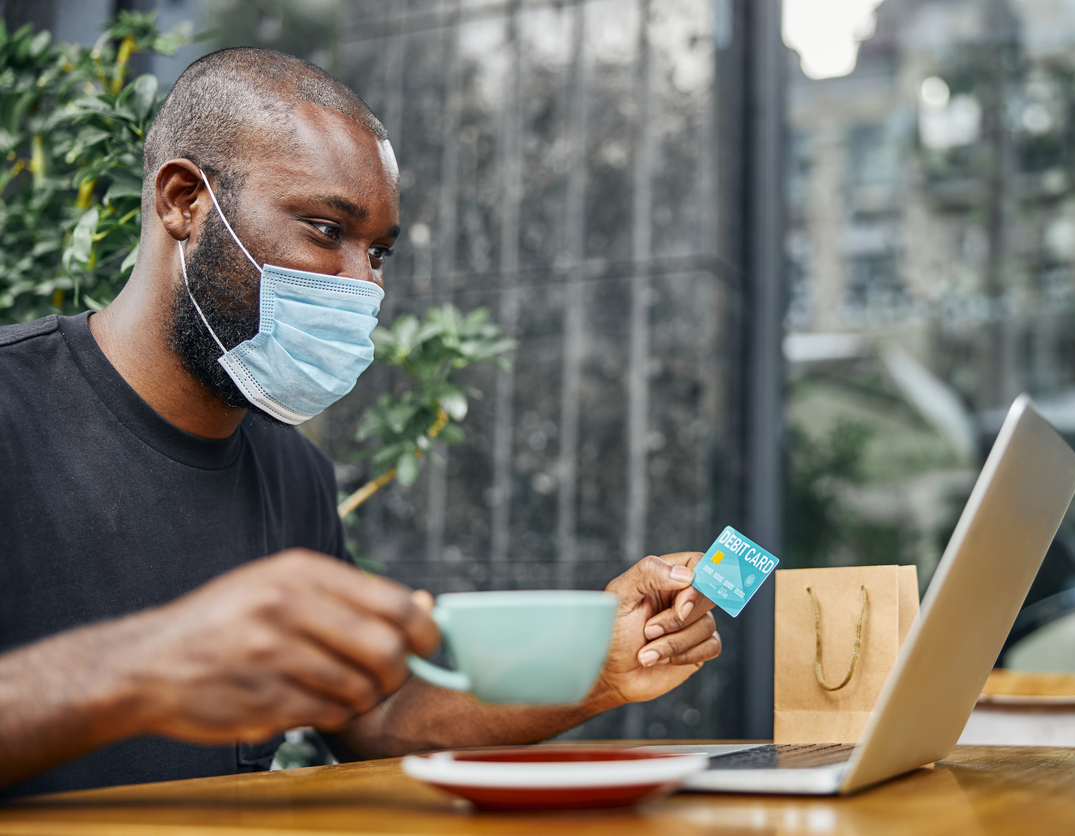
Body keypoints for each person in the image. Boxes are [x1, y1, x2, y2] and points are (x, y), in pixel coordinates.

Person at [0, 47, 719, 798]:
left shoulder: (292, 473)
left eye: (377, 252)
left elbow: (372, 717)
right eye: (323, 229)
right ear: (184, 200)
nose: (363, 286)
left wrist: (602, 669)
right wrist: (144, 666)